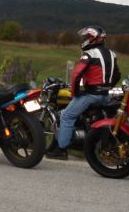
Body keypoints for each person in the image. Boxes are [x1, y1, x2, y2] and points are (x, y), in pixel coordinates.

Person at [46, 25, 120, 160]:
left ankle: (61, 149)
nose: (85, 39)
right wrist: (107, 87)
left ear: (94, 39)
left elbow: (76, 75)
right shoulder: (112, 54)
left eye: (88, 37)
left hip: (91, 95)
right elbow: (117, 75)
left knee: (66, 116)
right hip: (106, 96)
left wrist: (75, 92)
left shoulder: (89, 54)